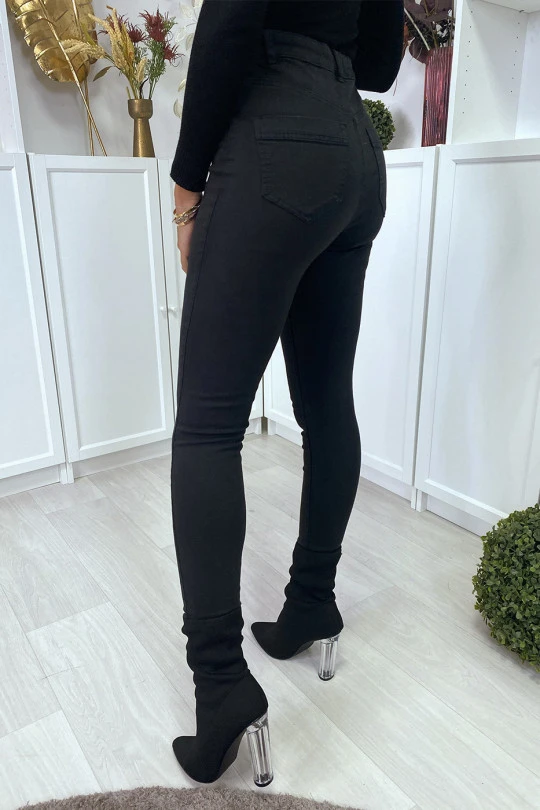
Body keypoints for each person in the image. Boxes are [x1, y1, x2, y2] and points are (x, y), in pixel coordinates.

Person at [170, 0, 404, 788]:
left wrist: (186, 186)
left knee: (208, 427)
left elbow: (229, 23)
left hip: (277, 130)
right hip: (355, 155)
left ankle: (219, 684)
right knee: (326, 401)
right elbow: (380, 66)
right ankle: (313, 601)